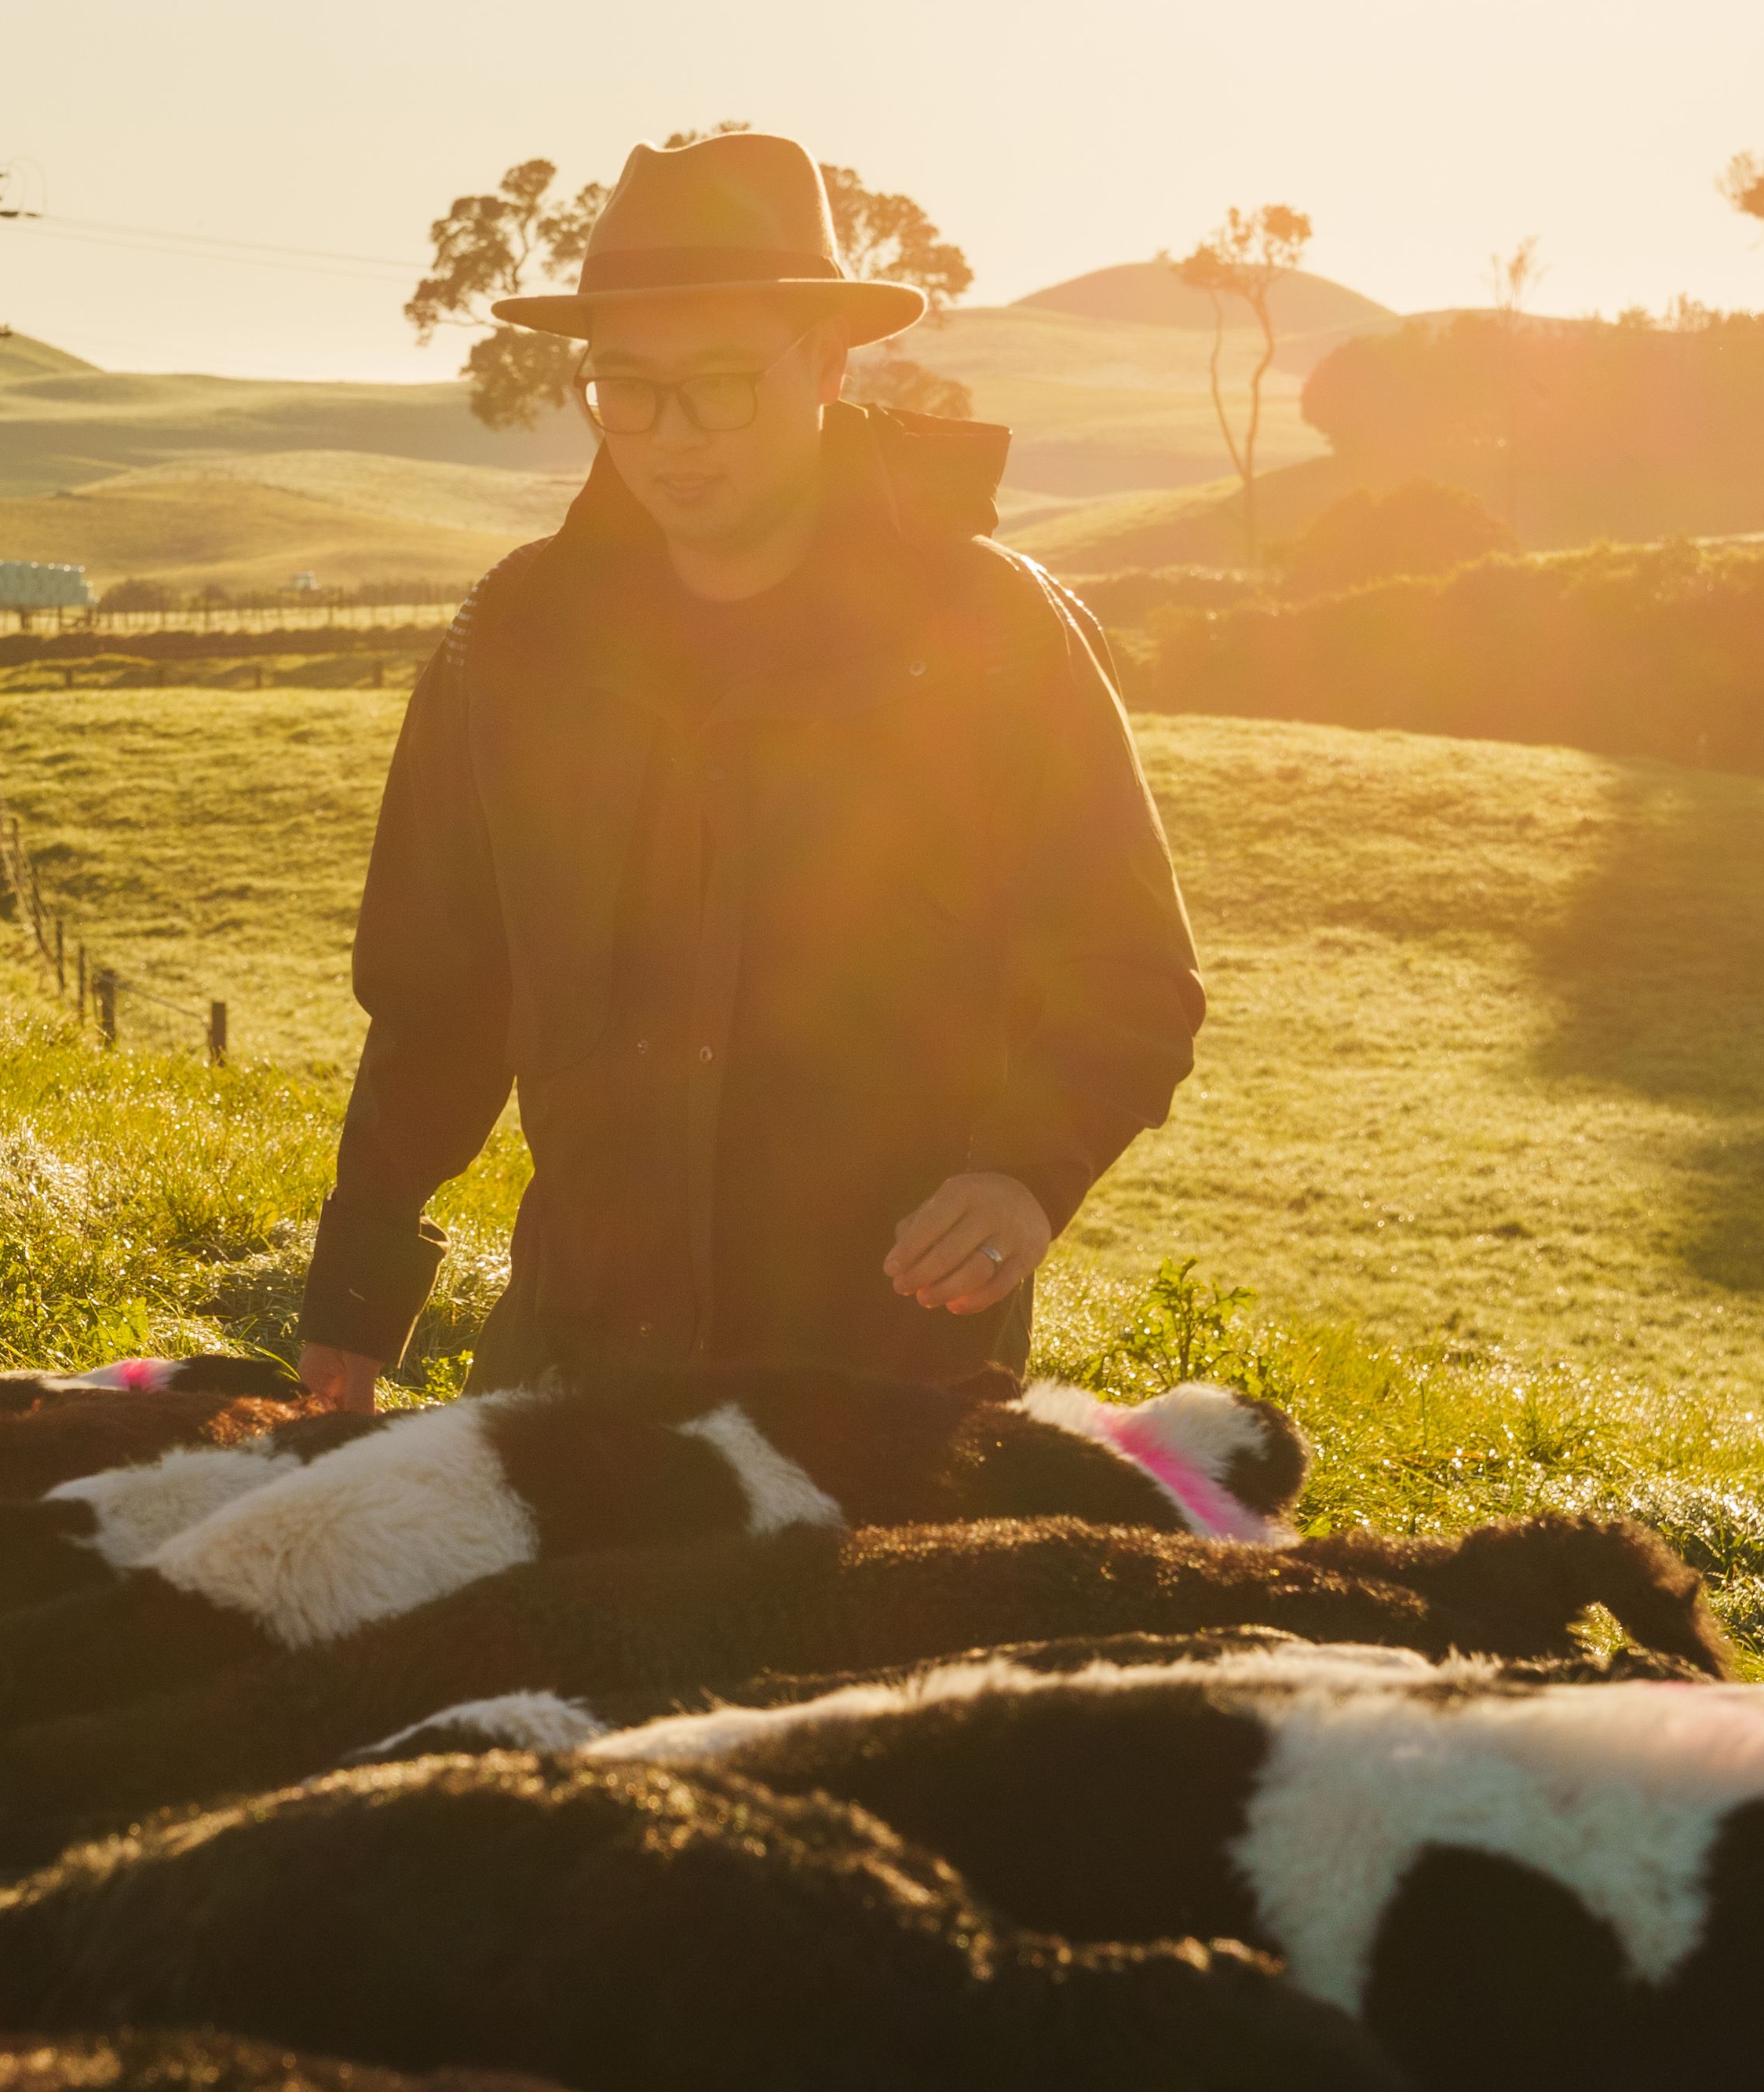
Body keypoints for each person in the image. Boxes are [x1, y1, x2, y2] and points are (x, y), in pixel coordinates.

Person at [294, 131, 1207, 1408]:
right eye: (626, 387)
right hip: (577, 1373)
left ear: (829, 363)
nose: (670, 436)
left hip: (886, 1388)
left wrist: (1024, 1177)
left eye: (720, 383)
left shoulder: (992, 639)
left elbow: (1128, 973)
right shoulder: (509, 644)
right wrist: (355, 1288)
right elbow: (439, 999)